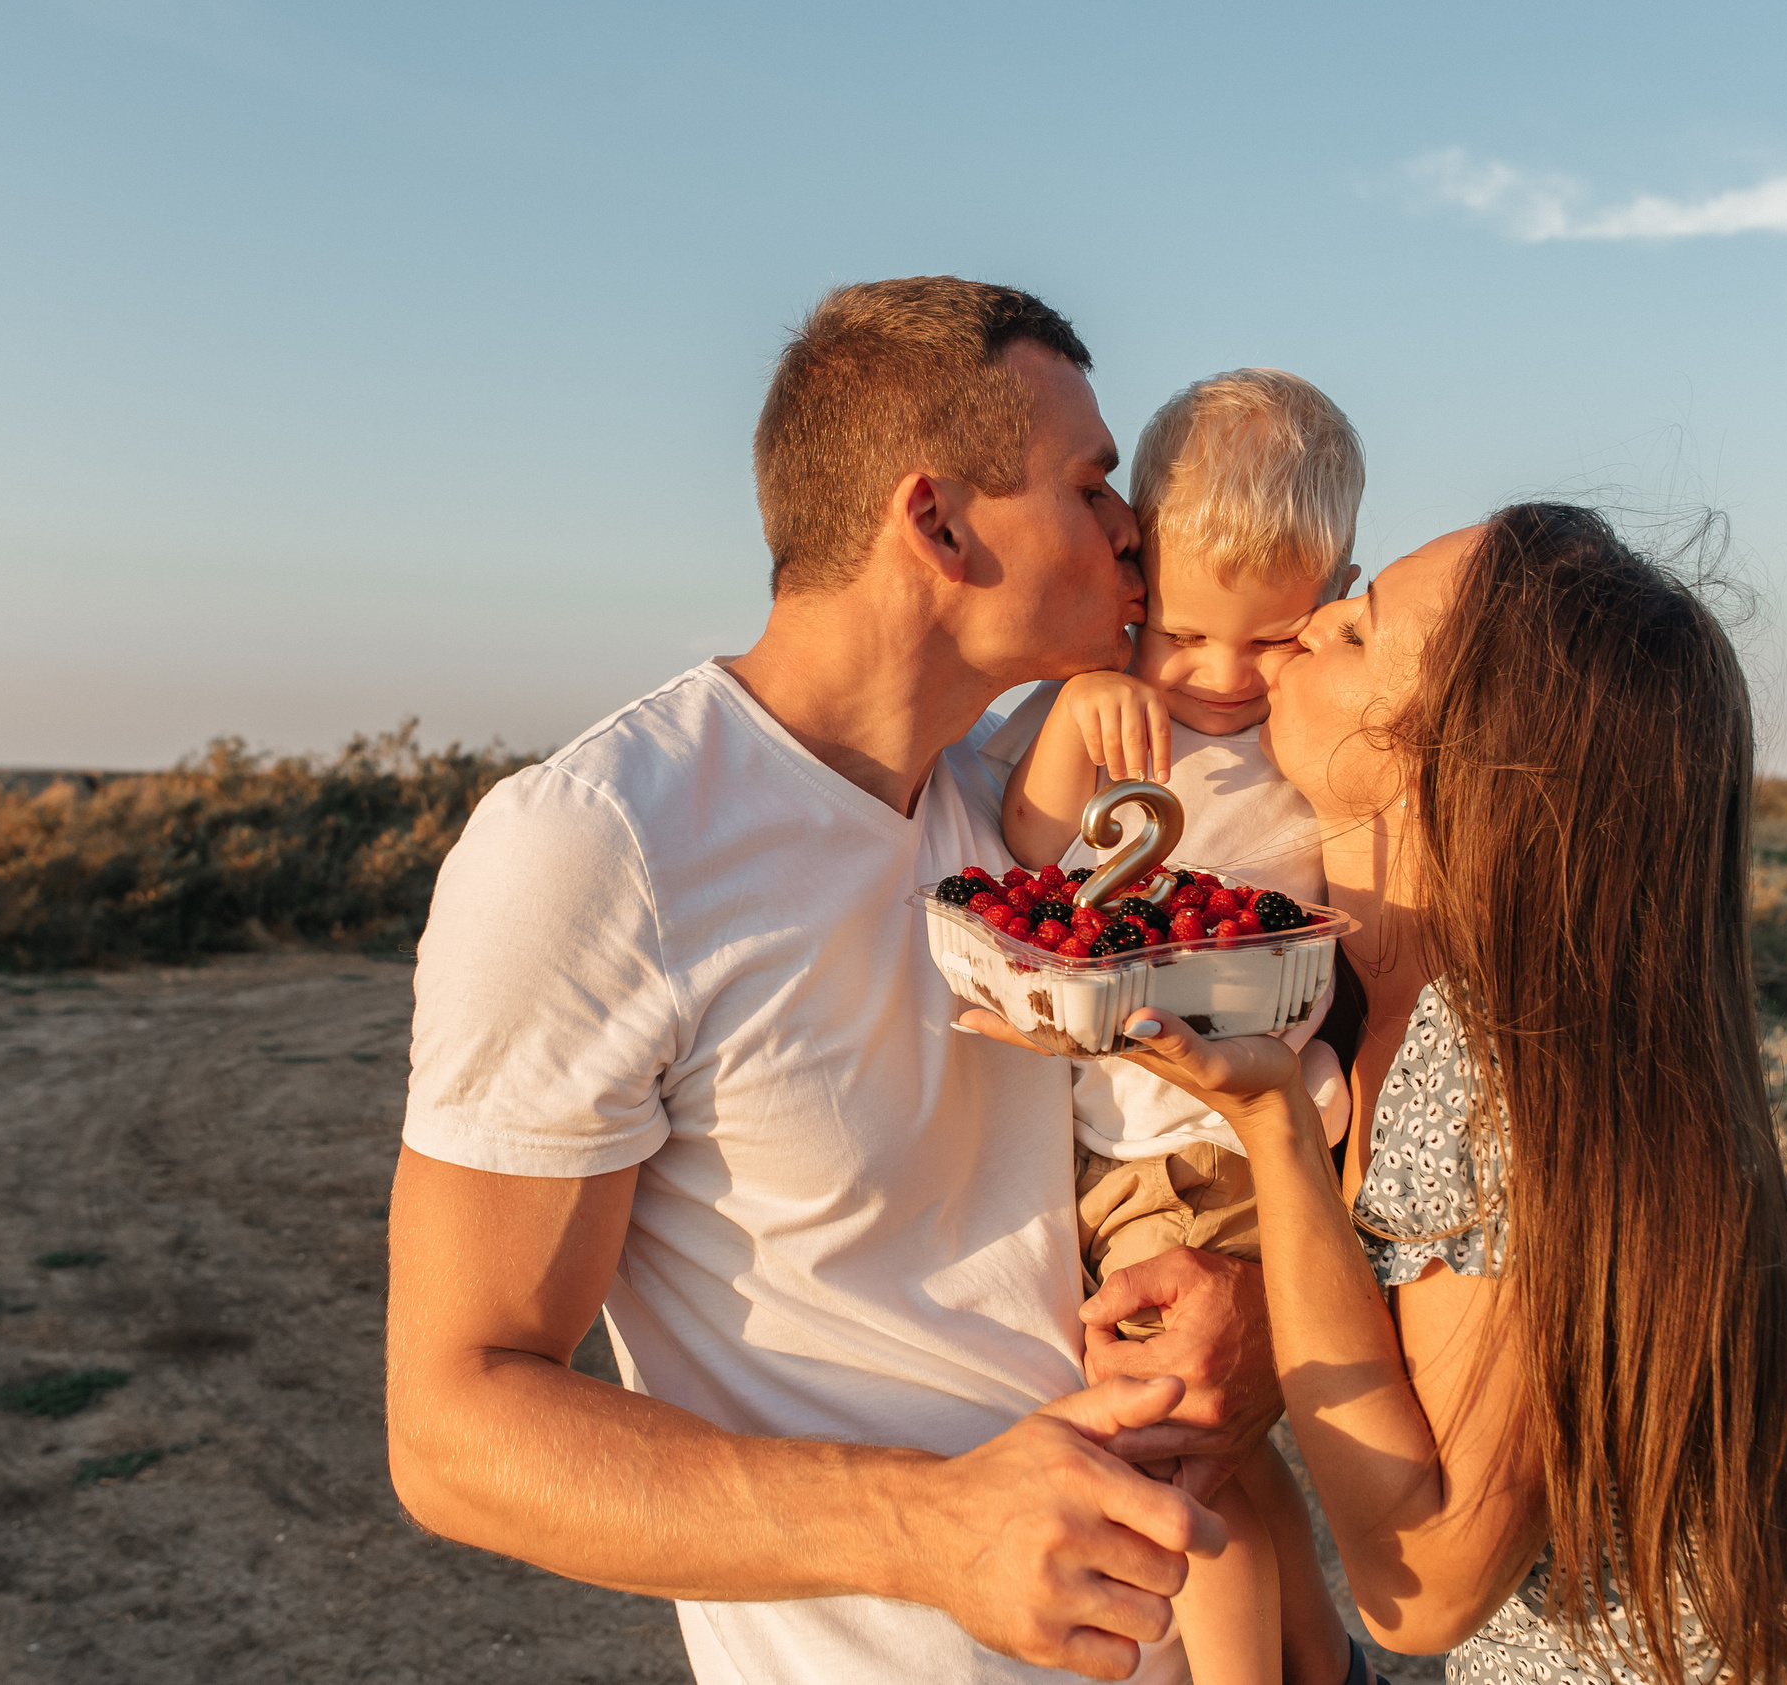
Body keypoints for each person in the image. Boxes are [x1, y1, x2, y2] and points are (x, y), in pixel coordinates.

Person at [384, 277, 1294, 1685]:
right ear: (936, 523)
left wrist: (1248, 1294)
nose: (1139, 531)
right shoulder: (603, 845)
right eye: (1094, 484)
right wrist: (930, 1530)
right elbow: (455, 1432)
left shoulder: (1023, 808)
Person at [970, 504, 1787, 1681]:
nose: (1307, 624)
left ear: (1442, 749)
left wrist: (1272, 1128)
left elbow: (1424, 1585)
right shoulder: (1364, 991)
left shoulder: (1492, 1047)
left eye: (1354, 632)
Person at [985, 368, 1367, 1685]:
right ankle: (1328, 1669)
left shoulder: (1319, 731)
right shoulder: (1102, 713)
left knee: (1181, 1465)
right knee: (1232, 1465)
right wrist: (1069, 735)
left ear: (1333, 601)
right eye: (1186, 634)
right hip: (1126, 1131)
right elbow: (1036, 860)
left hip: (1220, 1136)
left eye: (1269, 641)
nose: (1217, 677)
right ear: (1137, 570)